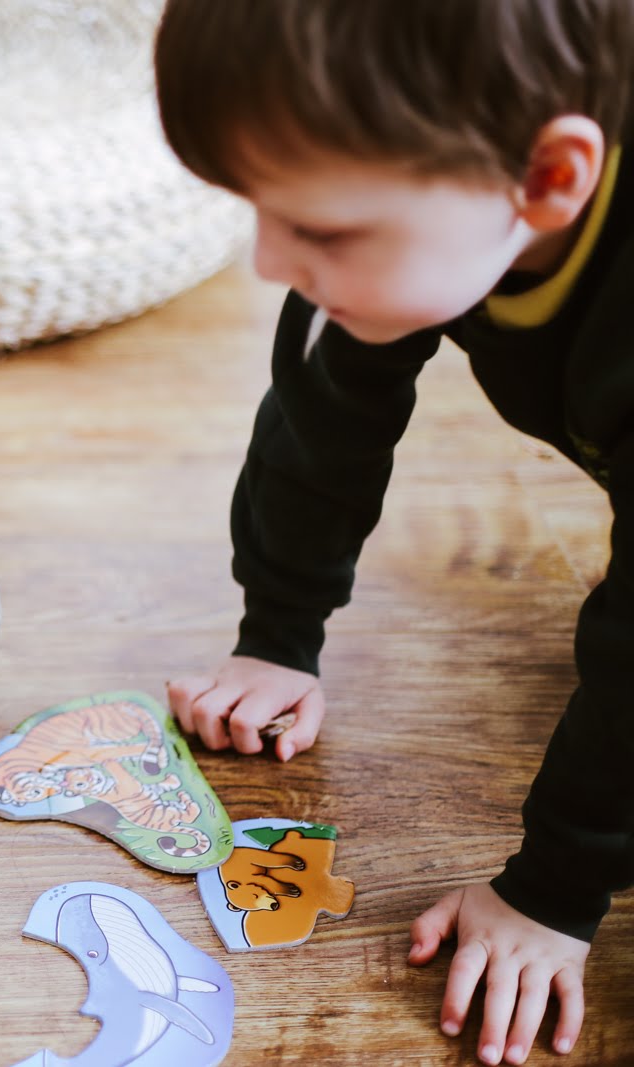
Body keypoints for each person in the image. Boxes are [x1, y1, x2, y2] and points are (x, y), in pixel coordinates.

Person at [152, 1, 634, 1063]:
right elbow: (326, 412)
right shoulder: (440, 175)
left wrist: (554, 891)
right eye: (259, 211)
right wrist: (275, 633)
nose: (268, 263)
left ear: (550, 179)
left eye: (318, 230)